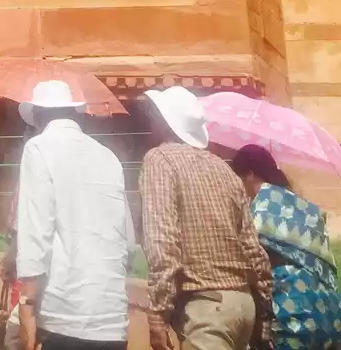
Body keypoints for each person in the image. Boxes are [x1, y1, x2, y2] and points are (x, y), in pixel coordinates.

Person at [140, 86, 273, 350]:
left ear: (163, 122)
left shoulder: (159, 159)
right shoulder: (223, 169)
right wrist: (264, 309)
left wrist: (157, 312)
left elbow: (162, 241)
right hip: (243, 305)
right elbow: (252, 247)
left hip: (206, 307)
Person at [13, 81, 135, 350]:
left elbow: (36, 232)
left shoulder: (39, 148)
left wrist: (27, 304)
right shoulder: (108, 157)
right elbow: (127, 243)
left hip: (63, 315)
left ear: (38, 116)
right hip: (112, 320)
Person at [231, 144, 341, 350]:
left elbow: (246, 259)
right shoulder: (304, 206)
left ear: (249, 175)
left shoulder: (261, 208)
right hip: (330, 311)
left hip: (293, 315)